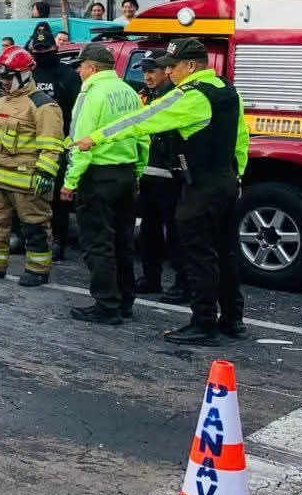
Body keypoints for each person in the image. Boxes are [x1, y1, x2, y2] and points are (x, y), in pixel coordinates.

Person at [75, 37, 249, 345]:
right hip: (225, 182)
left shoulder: (190, 96)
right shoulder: (226, 89)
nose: (168, 72)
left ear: (191, 65)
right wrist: (237, 176)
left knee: (198, 257)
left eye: (172, 66)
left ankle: (204, 323)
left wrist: (96, 137)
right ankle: (232, 319)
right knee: (226, 252)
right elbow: (241, 139)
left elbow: (143, 119)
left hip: (200, 187)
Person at [0, 46, 65, 286]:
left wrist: (45, 172)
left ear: (25, 74)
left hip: (27, 182)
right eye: (1, 77)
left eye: (8, 76)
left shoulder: (43, 106)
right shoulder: (1, 103)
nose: (3, 81)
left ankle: (37, 270)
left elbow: (52, 145)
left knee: (34, 226)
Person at [63, 44, 144, 324]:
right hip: (126, 175)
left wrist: (70, 181)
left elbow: (81, 140)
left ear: (93, 68)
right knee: (123, 242)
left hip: (98, 177)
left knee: (98, 243)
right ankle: (124, 301)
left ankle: (106, 304)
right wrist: (137, 171)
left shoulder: (90, 93)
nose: (78, 71)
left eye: (81, 66)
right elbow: (142, 135)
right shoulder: (130, 92)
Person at [27, 21, 80, 260]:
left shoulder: (68, 75)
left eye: (45, 49)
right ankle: (30, 237)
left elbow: (76, 113)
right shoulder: (28, 74)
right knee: (29, 195)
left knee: (57, 197)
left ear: (54, 49)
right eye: (37, 49)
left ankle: (58, 240)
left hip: (58, 145)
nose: (40, 53)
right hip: (29, 144)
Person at [135, 54, 184, 300]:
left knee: (176, 233)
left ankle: (182, 283)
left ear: (166, 71)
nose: (147, 76)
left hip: (171, 178)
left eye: (152, 71)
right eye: (144, 71)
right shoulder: (146, 96)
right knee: (149, 231)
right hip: (148, 176)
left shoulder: (176, 97)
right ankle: (151, 278)